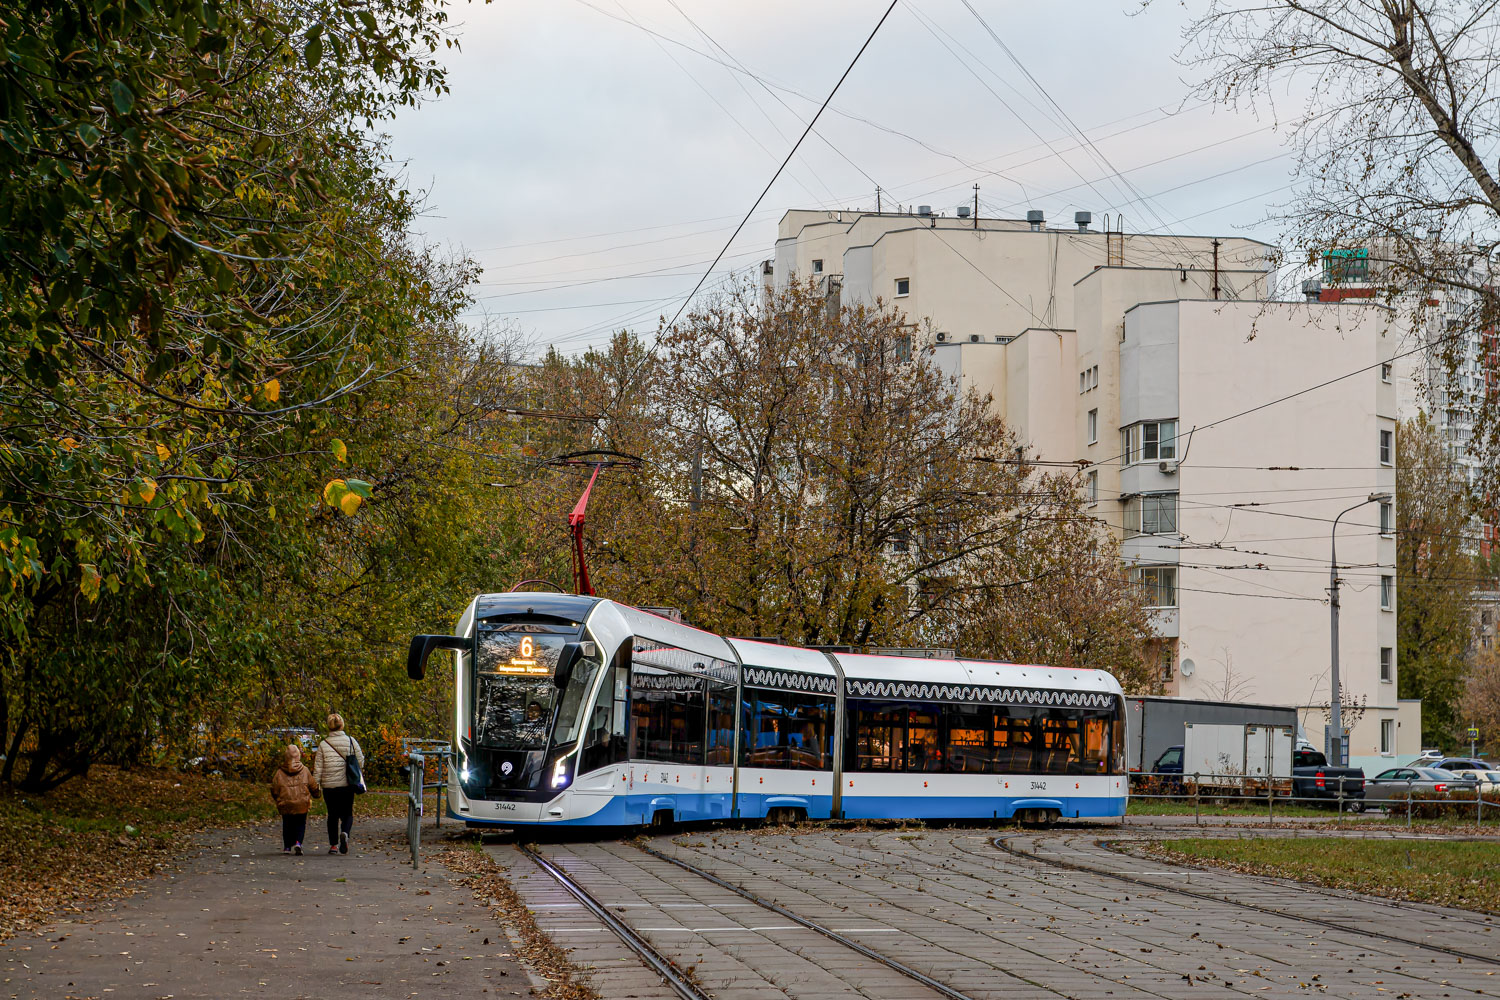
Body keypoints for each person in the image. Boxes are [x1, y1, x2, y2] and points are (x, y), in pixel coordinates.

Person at [313, 713, 365, 855]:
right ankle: (345, 832)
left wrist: (315, 785)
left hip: (329, 786)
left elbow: (318, 768)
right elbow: (360, 761)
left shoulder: (323, 745)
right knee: (347, 813)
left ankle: (334, 845)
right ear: (342, 724)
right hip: (347, 784)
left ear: (329, 726)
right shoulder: (351, 741)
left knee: (332, 815)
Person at [269, 744, 318, 855]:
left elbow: (274, 789)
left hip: (285, 803)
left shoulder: (279, 773)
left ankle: (287, 847)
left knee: (287, 824)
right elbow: (313, 785)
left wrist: (277, 798)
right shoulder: (305, 770)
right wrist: (316, 793)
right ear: (299, 756)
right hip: (302, 802)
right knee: (301, 823)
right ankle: (298, 842)